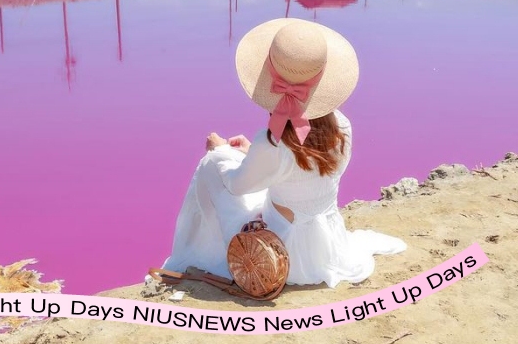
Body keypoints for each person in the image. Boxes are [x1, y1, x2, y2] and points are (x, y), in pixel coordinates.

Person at [162, 18, 406, 288]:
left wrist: (220, 151)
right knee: (243, 168)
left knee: (213, 163)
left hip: (277, 253)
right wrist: (252, 151)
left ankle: (192, 251)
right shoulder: (342, 126)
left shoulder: (273, 144)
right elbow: (305, 171)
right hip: (328, 247)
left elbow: (236, 185)